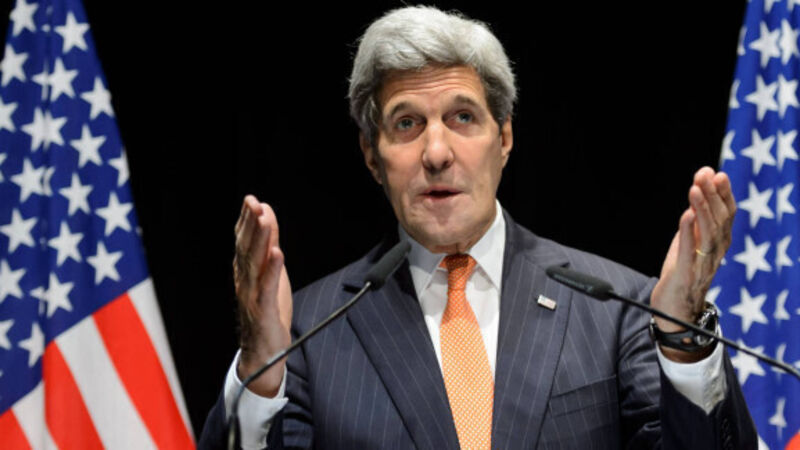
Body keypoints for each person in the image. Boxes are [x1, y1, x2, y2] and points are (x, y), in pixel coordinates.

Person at [200, 6, 756, 449]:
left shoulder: (616, 308)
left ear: (504, 138)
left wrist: (683, 336)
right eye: (407, 123)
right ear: (372, 157)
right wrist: (260, 370)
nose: (436, 153)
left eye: (462, 117)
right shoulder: (308, 333)